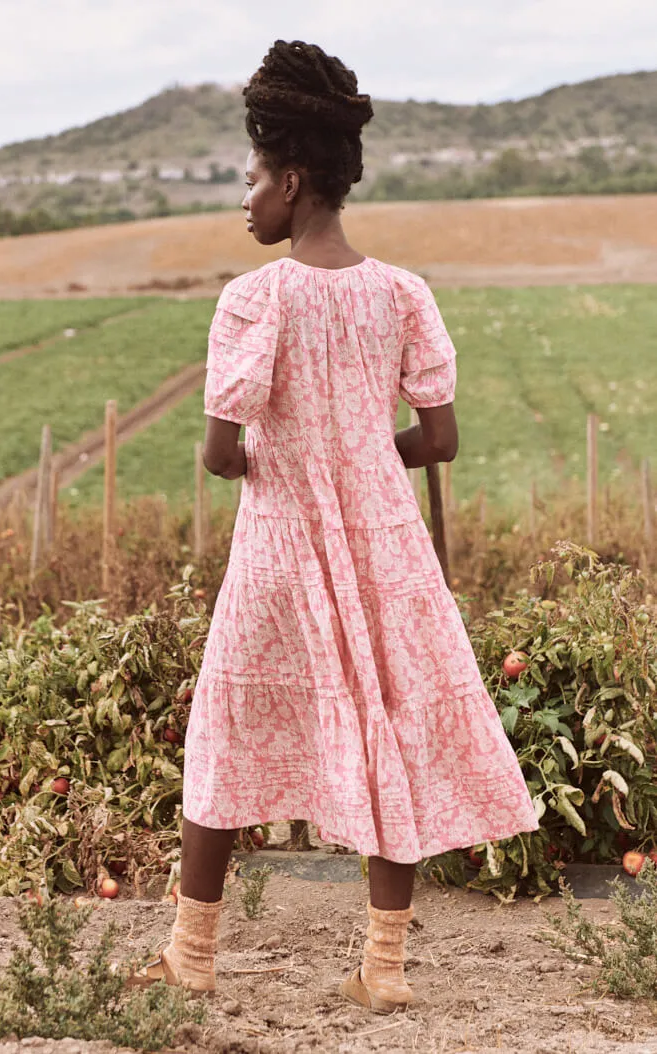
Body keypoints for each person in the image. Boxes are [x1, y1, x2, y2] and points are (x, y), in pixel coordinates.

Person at [129, 39, 538, 1013]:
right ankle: (384, 969)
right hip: (384, 547)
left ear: (293, 179)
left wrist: (297, 459)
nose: (243, 197)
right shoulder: (401, 294)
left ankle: (191, 953)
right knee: (388, 729)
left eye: (252, 177)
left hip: (280, 547)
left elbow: (223, 455)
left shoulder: (253, 300)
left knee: (225, 728)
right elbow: (437, 437)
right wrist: (360, 452)